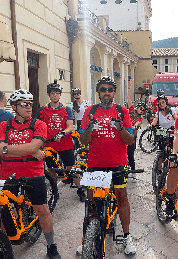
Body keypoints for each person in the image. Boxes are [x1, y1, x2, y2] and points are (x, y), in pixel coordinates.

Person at [0, 89, 61, 259]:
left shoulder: (39, 124)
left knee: (42, 210)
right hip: (8, 174)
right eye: (24, 104)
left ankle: (51, 245)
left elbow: (31, 147)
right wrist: (30, 151)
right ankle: (1, 245)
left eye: (30, 104)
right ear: (14, 107)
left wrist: (9, 149)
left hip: (33, 172)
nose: (29, 107)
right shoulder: (3, 125)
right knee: (0, 211)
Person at [78, 76, 136, 255]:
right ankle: (85, 238)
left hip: (118, 164)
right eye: (103, 90)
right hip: (95, 164)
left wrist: (120, 128)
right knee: (91, 202)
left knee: (122, 198)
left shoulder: (122, 111)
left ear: (114, 92)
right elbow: (83, 141)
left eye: (110, 90)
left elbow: (130, 140)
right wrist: (89, 129)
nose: (107, 93)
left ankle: (127, 237)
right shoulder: (90, 111)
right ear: (98, 92)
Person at [36, 80, 86, 202]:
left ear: (60, 95)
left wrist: (62, 133)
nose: (55, 95)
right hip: (48, 144)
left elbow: (70, 126)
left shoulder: (66, 109)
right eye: (53, 93)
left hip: (65, 143)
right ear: (49, 94)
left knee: (71, 167)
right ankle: (55, 191)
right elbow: (37, 126)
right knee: (51, 168)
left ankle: (80, 189)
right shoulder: (42, 110)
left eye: (57, 93)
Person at [127, 86, 144, 179]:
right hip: (124, 134)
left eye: (143, 110)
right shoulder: (131, 110)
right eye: (140, 108)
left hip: (132, 136)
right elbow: (129, 98)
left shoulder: (140, 118)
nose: (141, 110)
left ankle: (133, 171)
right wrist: (129, 86)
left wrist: (134, 126)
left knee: (130, 155)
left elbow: (138, 123)